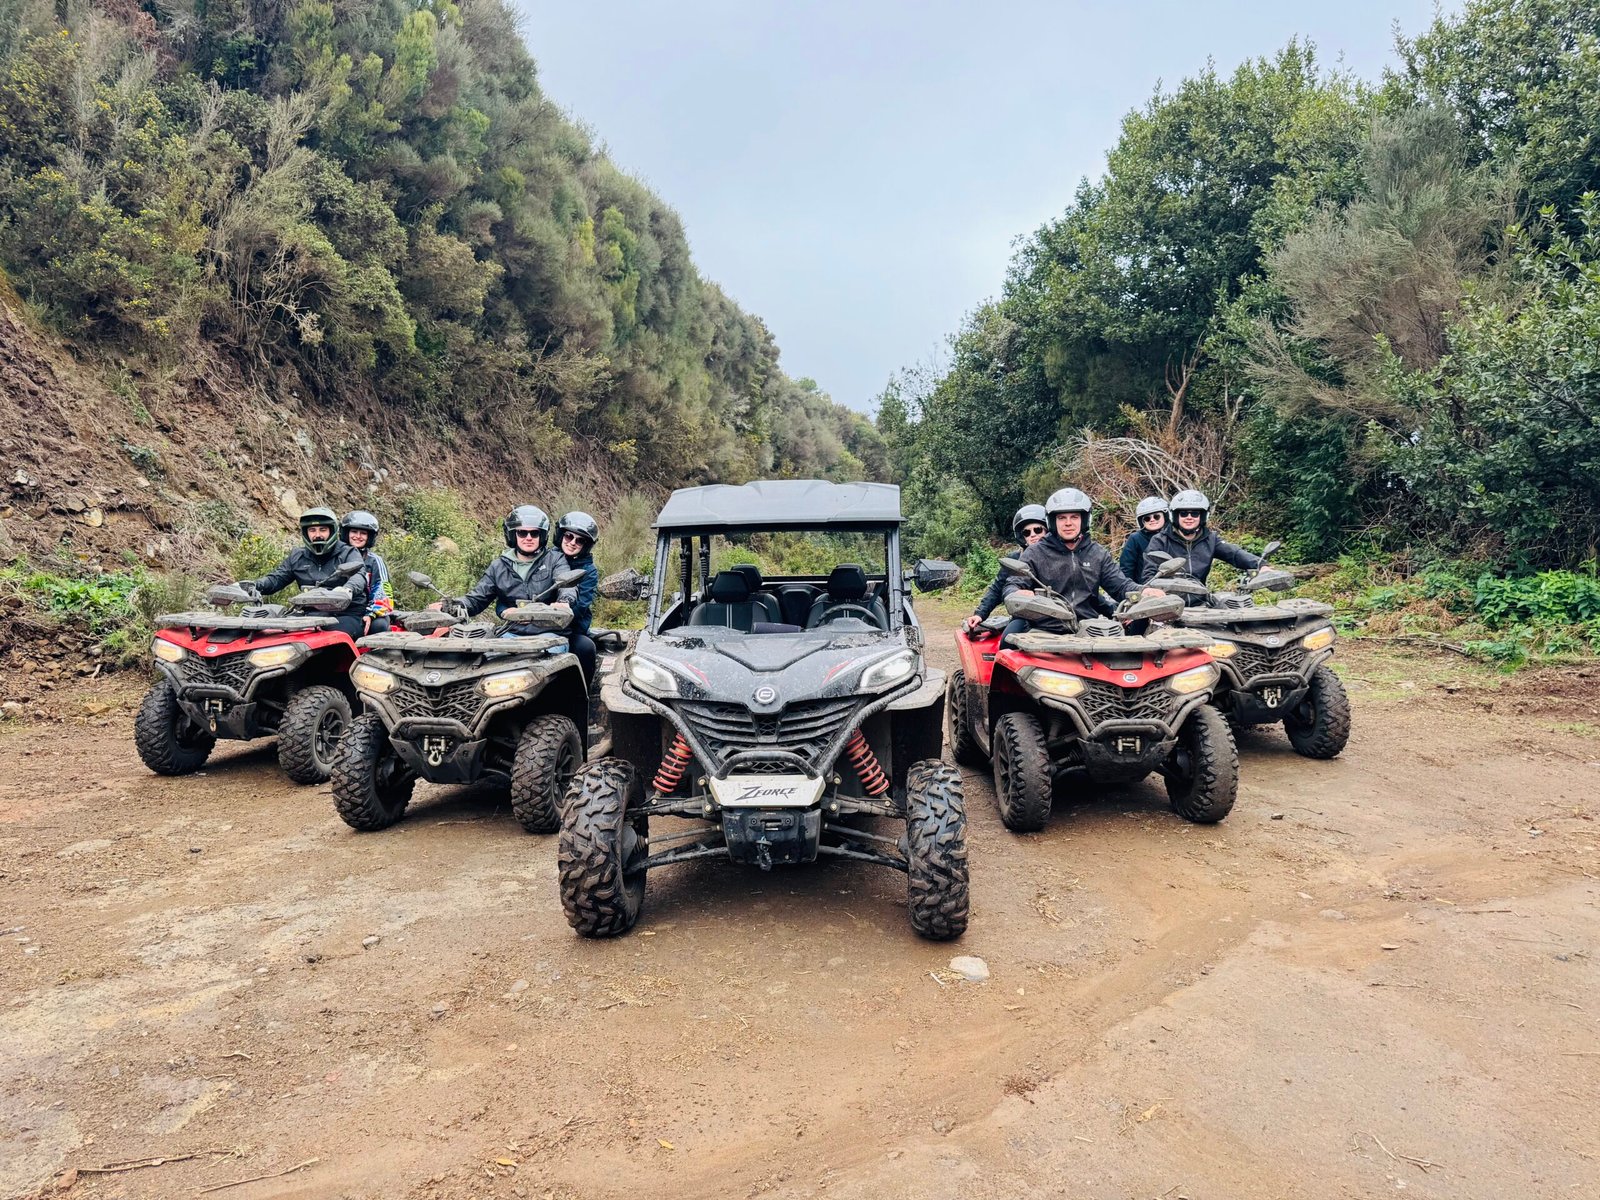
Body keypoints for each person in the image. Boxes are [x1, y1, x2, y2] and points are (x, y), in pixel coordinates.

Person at [1000, 487, 1161, 636]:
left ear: (1084, 520)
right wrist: (1016, 592)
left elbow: (1121, 585)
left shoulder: (1097, 553)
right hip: (1045, 631)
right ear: (1052, 522)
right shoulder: (1035, 552)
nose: (1068, 523)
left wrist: (1144, 591)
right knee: (1009, 647)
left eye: (1074, 517)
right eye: (1062, 518)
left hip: (1090, 630)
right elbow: (1013, 583)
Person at [433, 505, 578, 640]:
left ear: (542, 535)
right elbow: (476, 598)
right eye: (522, 532)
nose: (528, 538)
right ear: (513, 535)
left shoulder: (555, 559)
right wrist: (449, 606)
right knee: (485, 660)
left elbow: (567, 583)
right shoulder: (499, 566)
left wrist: (564, 602)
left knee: (550, 660)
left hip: (549, 635)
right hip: (511, 634)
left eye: (534, 533)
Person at [240, 506, 370, 640]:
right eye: (312, 530)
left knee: (329, 639)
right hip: (309, 616)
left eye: (323, 530)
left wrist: (347, 589)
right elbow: (275, 579)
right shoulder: (297, 556)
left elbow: (359, 575)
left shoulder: (348, 552)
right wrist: (249, 586)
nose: (317, 534)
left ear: (332, 531)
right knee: (272, 635)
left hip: (346, 615)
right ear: (305, 532)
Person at [1139, 489, 1261, 604]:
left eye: (1195, 513)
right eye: (1184, 513)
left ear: (1202, 516)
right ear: (1175, 515)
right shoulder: (1160, 540)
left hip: (1200, 602)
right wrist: (1155, 592)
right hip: (1167, 603)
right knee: (1138, 623)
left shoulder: (1210, 539)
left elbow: (1234, 554)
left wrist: (1261, 565)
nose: (1189, 517)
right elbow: (1149, 574)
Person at [962, 504, 1048, 633]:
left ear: (1047, 530)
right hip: (1025, 616)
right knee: (1008, 638)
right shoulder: (1015, 558)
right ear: (1022, 536)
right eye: (1026, 532)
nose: (1033, 535)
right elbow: (997, 588)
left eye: (1038, 530)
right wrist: (980, 614)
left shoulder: (1059, 556)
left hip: (1059, 617)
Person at [554, 511, 600, 685]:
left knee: (586, 648)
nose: (572, 542)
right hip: (535, 626)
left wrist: (560, 615)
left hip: (571, 628)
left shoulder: (589, 571)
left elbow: (581, 606)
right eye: (568, 536)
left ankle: (582, 697)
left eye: (579, 540)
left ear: (586, 544)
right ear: (560, 535)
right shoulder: (548, 558)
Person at [339, 510, 392, 635]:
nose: (358, 536)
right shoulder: (336, 558)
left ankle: (379, 653)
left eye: (363, 533)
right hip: (343, 610)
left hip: (371, 611)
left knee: (378, 626)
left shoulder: (375, 561)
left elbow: (383, 590)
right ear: (346, 533)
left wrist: (371, 614)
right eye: (354, 532)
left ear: (370, 537)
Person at [1119, 495, 1169, 583]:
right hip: (1145, 587)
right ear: (1142, 522)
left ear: (1165, 516)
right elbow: (1126, 568)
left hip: (1174, 584)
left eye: (1156, 516)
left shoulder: (1174, 536)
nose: (1152, 520)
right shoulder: (1135, 539)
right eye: (1147, 518)